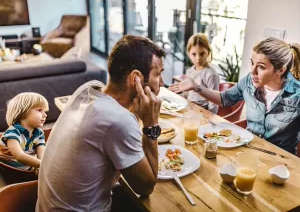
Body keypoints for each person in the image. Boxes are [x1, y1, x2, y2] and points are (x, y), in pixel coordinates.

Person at [36, 35, 165, 212]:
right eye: (158, 74)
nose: (162, 83)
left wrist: (136, 115)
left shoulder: (88, 90)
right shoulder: (118, 120)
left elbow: (111, 127)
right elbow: (146, 187)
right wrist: (151, 125)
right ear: (136, 78)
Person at [169, 37, 300, 154]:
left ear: (281, 70)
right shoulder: (249, 81)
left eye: (261, 67)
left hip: (281, 162)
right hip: (249, 151)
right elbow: (224, 99)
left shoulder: (297, 94)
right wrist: (195, 86)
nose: (252, 71)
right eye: (252, 63)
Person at [0, 92, 48, 170]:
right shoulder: (13, 132)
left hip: (28, 169)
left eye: (45, 111)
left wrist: (41, 166)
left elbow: (41, 157)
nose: (45, 115)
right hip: (9, 171)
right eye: (39, 110)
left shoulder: (39, 134)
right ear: (23, 111)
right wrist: (44, 166)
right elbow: (19, 156)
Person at [183, 33, 220, 114]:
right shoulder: (189, 71)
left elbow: (214, 102)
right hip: (189, 108)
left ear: (208, 52)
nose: (198, 58)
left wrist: (210, 119)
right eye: (194, 54)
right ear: (189, 53)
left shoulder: (211, 74)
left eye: (202, 54)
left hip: (203, 111)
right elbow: (187, 93)